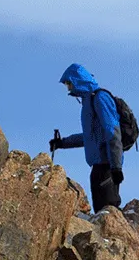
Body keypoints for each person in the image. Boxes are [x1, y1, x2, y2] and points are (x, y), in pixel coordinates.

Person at [49, 64, 123, 212]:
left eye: (69, 83)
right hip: (97, 166)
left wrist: (116, 166)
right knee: (101, 212)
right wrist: (62, 143)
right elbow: (90, 137)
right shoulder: (88, 102)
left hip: (106, 165)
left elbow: (112, 131)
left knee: (107, 212)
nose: (68, 88)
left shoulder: (100, 98)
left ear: (78, 80)